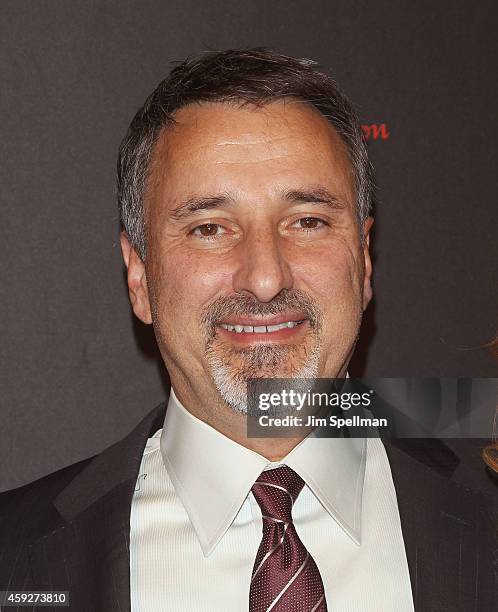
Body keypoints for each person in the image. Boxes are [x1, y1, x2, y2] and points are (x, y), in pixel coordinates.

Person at [0, 48, 495, 612]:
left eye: (307, 221)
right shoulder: (13, 555)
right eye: (210, 227)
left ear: (363, 261)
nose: (264, 277)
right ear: (139, 275)